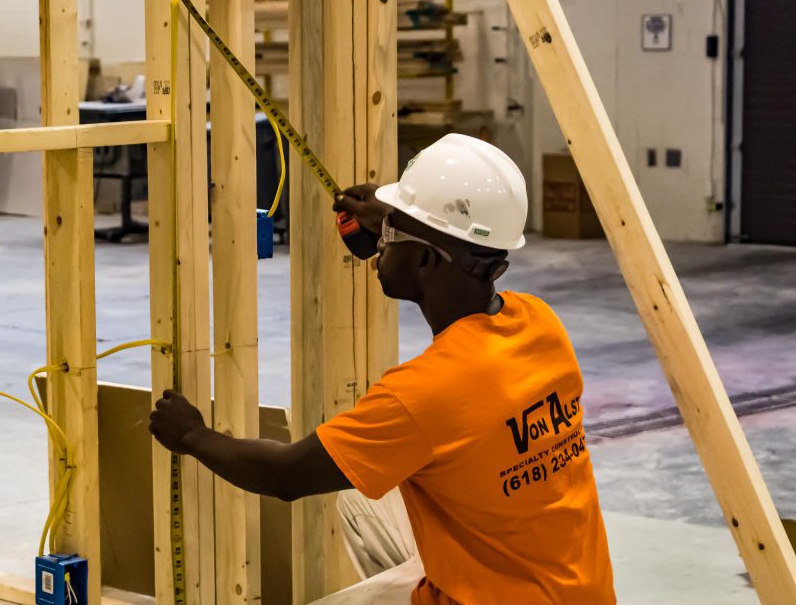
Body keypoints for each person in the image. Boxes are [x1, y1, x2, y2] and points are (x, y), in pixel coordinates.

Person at [149, 134, 616, 604]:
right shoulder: (539, 322)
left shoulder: (425, 393)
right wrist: (393, 220)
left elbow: (286, 476)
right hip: (577, 591)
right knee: (359, 495)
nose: (379, 243)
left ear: (427, 260)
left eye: (391, 234)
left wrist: (192, 435)